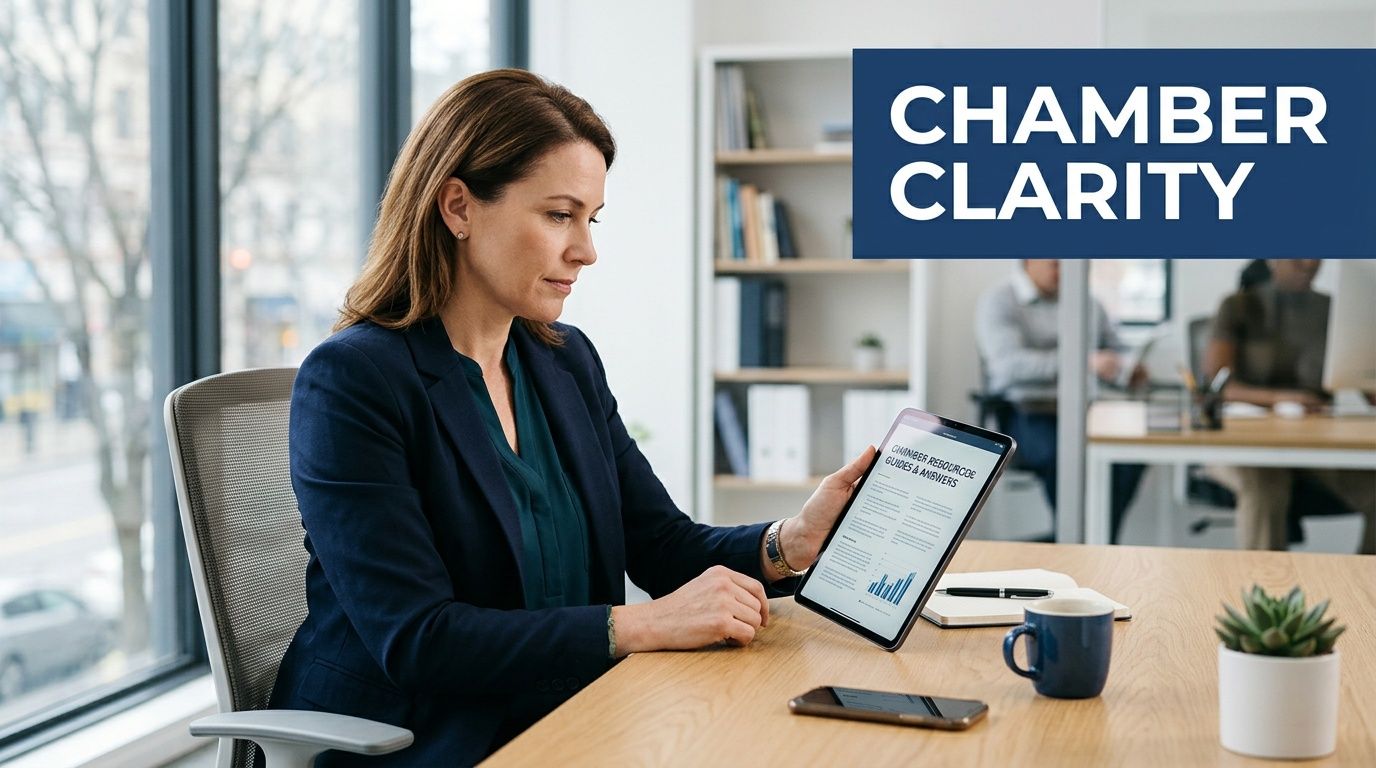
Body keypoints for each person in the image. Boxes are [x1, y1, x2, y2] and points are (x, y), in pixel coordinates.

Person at [267, 69, 875, 766]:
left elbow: (662, 545)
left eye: (591, 218)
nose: (586, 249)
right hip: (427, 737)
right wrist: (637, 625)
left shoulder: (563, 362)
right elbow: (419, 639)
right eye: (560, 215)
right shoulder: (354, 381)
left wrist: (790, 544)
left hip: (575, 712)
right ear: (458, 207)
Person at [1203, 258, 1375, 553]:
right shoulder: (1238, 306)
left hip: (1315, 442)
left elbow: (1365, 385)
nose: (1308, 264)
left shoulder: (1333, 311)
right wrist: (1281, 399)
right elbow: (1217, 386)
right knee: (1266, 486)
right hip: (1245, 444)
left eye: (1315, 256)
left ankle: (1366, 594)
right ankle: (1269, 594)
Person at [974, 259, 1145, 542]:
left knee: (1128, 457)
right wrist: (1082, 362)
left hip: (1085, 411)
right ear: (1028, 261)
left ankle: (1091, 540)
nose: (1063, 271)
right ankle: (1083, 541)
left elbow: (1116, 347)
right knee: (1065, 455)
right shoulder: (999, 301)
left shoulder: (1088, 303)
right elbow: (1007, 365)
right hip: (1026, 412)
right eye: (1054, 264)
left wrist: (1127, 367)